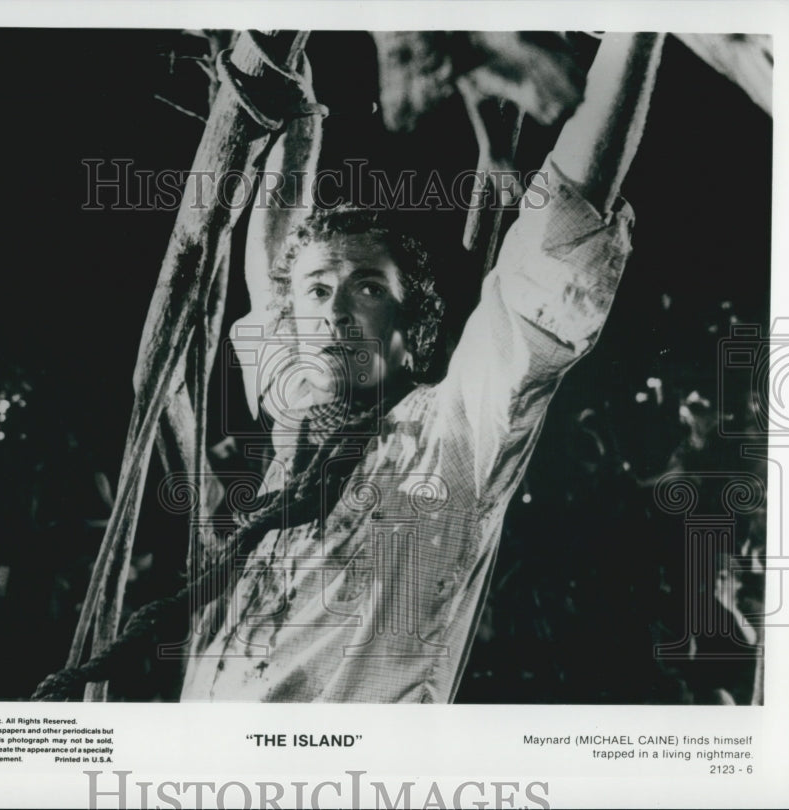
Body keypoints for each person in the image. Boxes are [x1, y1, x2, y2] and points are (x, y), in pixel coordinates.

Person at [178, 33, 657, 702]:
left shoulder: (450, 437)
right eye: (319, 290)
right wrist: (297, 116)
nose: (333, 311)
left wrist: (640, 28)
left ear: (416, 336)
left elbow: (566, 216)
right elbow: (277, 268)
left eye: (369, 288)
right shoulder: (297, 417)